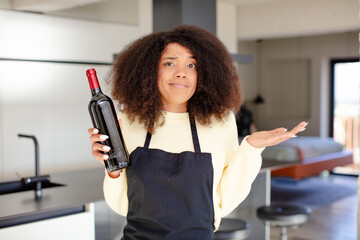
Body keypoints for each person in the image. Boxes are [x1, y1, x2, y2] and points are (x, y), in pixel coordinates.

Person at [88, 25, 307, 239]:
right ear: (149, 70)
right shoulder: (127, 121)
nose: (181, 73)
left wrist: (251, 147)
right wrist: (112, 169)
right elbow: (121, 204)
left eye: (192, 65)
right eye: (169, 63)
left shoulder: (219, 123)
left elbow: (224, 199)